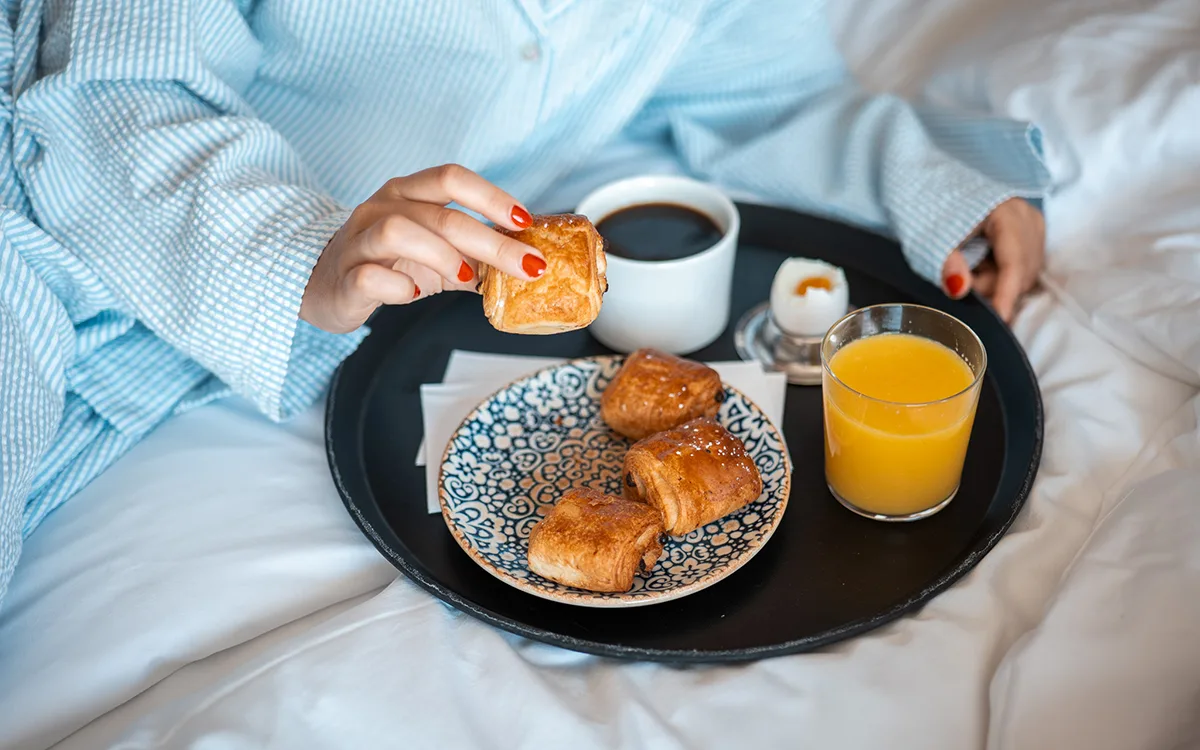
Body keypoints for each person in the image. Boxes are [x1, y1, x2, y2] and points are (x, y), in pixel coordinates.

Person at [0, 0, 1048, 605]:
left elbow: (757, 90)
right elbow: (106, 85)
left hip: (260, 363)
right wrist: (301, 252)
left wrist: (938, 183)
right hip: (42, 236)